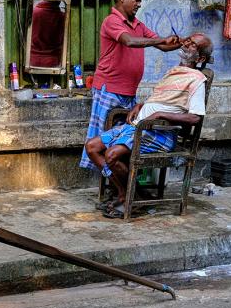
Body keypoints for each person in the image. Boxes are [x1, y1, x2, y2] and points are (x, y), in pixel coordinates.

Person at [84, 33, 213, 218]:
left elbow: (195, 118)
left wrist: (160, 114)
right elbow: (162, 100)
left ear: (200, 58)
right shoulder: (174, 72)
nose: (185, 44)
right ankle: (130, 194)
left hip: (157, 133)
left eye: (192, 44)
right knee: (92, 147)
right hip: (139, 127)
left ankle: (128, 197)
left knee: (111, 155)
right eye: (187, 40)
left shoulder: (196, 80)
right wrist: (141, 105)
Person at [79, 0, 181, 173]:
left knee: (119, 143)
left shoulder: (138, 25)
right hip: (109, 90)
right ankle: (112, 186)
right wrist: (161, 40)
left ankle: (118, 186)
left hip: (128, 93)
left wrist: (183, 42)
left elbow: (164, 46)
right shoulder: (112, 21)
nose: (139, 4)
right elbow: (130, 41)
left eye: (140, 0)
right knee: (101, 143)